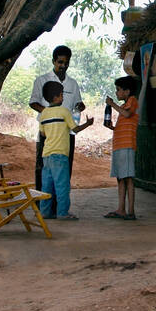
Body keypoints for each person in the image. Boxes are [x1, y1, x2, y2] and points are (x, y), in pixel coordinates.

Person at [29, 45, 84, 190]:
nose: (63, 66)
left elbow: (78, 104)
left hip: (67, 133)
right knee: (43, 167)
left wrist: (80, 107)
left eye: (66, 63)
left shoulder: (73, 84)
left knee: (65, 168)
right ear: (53, 61)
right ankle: (42, 204)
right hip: (47, 133)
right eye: (60, 62)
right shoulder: (42, 80)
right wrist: (50, 113)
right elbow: (33, 102)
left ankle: (60, 206)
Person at [38, 80, 92, 220]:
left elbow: (43, 134)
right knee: (62, 186)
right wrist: (88, 123)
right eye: (61, 95)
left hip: (46, 155)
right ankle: (62, 213)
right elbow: (75, 129)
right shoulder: (64, 111)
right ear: (56, 97)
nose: (63, 98)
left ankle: (45, 212)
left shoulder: (43, 114)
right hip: (60, 154)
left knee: (47, 186)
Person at [102, 75, 140, 220]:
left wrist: (112, 104)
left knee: (128, 178)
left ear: (127, 91)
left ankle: (130, 211)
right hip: (119, 145)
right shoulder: (124, 105)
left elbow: (127, 114)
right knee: (121, 178)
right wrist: (113, 127)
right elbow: (124, 121)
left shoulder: (132, 101)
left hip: (127, 145)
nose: (117, 93)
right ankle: (121, 209)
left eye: (118, 90)